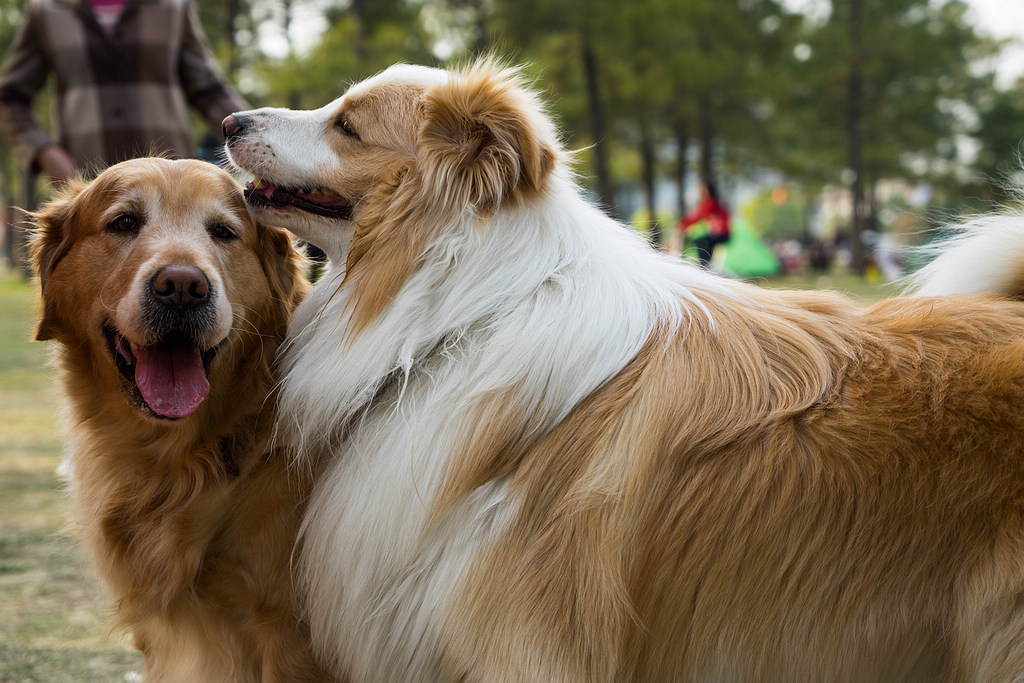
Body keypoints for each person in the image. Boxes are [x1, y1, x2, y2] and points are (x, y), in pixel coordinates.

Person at [0, 0, 248, 183]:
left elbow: (209, 90)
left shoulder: (173, 7)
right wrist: (44, 152)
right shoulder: (46, 11)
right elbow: (9, 98)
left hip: (170, 179)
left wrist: (261, 134)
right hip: (86, 183)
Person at [678, 181, 731, 268]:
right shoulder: (713, 203)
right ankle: (706, 264)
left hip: (721, 234)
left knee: (701, 241)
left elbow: (698, 216)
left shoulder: (711, 203)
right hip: (718, 234)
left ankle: (704, 265)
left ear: (707, 190)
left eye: (702, 190)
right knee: (704, 242)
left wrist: (683, 224)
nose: (699, 192)